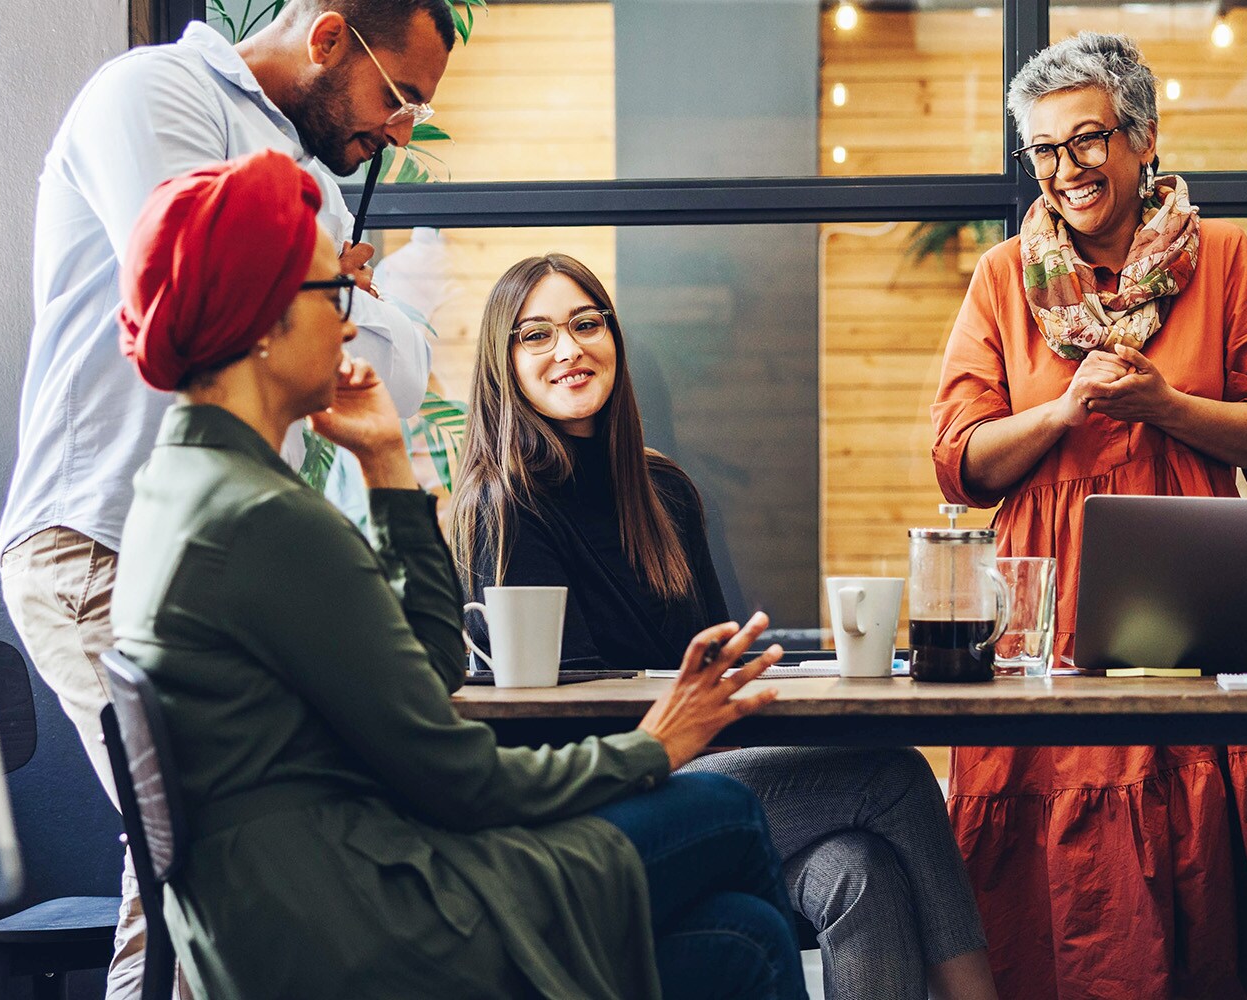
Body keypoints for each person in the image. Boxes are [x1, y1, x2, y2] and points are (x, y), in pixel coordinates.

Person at [106, 151, 809, 1000]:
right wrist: (652, 747)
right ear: (261, 321)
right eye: (335, 293)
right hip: (370, 920)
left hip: (280, 922)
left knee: (747, 938)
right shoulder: (264, 521)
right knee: (725, 814)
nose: (352, 320)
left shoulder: (184, 490)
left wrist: (387, 465)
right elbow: (459, 777)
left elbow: (433, 668)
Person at [0, 3, 455, 993]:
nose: (404, 129)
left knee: (231, 844)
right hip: (102, 539)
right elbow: (199, 293)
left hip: (216, 563)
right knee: (195, 840)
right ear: (330, 37)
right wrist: (344, 299)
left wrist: (341, 302)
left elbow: (392, 372)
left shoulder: (311, 191)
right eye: (401, 94)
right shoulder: (155, 95)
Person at [453, 254, 998, 1000]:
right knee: (896, 775)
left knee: (859, 870)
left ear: (614, 335)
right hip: (602, 796)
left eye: (586, 324)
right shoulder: (505, 503)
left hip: (698, 769)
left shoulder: (663, 490)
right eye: (535, 335)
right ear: (503, 365)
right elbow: (558, 717)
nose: (568, 349)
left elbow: (721, 672)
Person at [930, 33, 1247, 999]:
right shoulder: (1000, 277)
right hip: (1043, 607)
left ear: (1142, 138)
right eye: (1045, 149)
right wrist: (1066, 412)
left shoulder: (1224, 258)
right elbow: (959, 459)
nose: (1067, 169)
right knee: (1050, 862)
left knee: (1208, 830)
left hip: (1195, 586)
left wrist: (1164, 406)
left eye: (1088, 140)